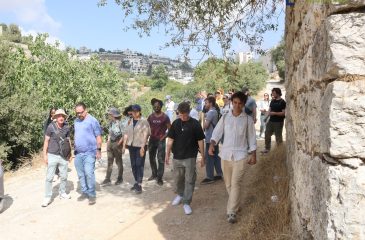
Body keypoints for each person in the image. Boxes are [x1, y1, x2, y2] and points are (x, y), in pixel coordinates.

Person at [209, 91, 257, 224]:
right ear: (231, 102)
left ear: (243, 104)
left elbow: (252, 138)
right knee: (229, 184)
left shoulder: (247, 120)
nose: (236, 105)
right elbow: (217, 133)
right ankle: (235, 205)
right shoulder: (225, 117)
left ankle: (231, 212)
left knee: (236, 183)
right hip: (225, 154)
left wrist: (253, 155)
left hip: (241, 155)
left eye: (239, 103)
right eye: (234, 102)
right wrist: (212, 145)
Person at [165, 102, 205, 215]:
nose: (182, 117)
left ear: (189, 112)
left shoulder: (195, 124)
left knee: (190, 179)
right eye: (180, 115)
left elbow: (200, 141)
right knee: (178, 178)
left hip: (190, 157)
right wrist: (167, 154)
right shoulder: (175, 123)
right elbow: (170, 140)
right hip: (177, 156)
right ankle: (180, 194)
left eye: (185, 115)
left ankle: (186, 202)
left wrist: (203, 156)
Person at [41, 109, 72, 207]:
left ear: (64, 117)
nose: (61, 117)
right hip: (52, 155)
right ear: (56, 117)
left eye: (62, 116)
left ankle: (62, 193)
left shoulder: (67, 127)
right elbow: (46, 141)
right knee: (49, 177)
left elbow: (68, 140)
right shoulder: (50, 127)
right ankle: (47, 197)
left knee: (64, 176)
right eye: (59, 116)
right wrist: (44, 155)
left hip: (63, 156)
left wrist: (70, 153)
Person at [74, 102, 102, 205]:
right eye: (77, 113)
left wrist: (98, 150)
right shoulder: (76, 121)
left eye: (81, 112)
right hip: (78, 153)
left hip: (90, 152)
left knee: (89, 173)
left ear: (86, 110)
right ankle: (84, 192)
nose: (79, 115)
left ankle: (92, 195)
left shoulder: (93, 121)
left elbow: (98, 136)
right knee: (81, 175)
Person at [122, 104, 150, 194]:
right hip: (131, 146)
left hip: (140, 146)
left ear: (139, 112)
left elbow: (146, 134)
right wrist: (123, 146)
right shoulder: (130, 121)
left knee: (139, 164)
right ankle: (136, 182)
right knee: (133, 164)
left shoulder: (144, 121)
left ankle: (139, 184)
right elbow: (126, 133)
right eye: (132, 111)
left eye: (136, 111)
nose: (134, 113)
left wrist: (143, 147)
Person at [147, 98, 171, 185]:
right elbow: (147, 128)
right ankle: (154, 174)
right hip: (152, 140)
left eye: (158, 106)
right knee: (151, 158)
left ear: (161, 106)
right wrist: (146, 139)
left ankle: (159, 177)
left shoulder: (165, 117)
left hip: (161, 141)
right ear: (153, 107)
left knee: (160, 159)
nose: (156, 107)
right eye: (154, 106)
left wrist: (164, 137)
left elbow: (170, 130)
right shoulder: (150, 117)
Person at [201, 96, 223, 184]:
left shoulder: (210, 112)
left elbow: (205, 126)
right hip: (215, 137)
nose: (205, 105)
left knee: (209, 157)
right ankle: (219, 173)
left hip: (210, 138)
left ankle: (209, 176)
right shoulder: (215, 111)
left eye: (206, 103)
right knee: (216, 156)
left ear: (210, 103)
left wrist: (203, 119)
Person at [101, 108, 124, 186]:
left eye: (110, 114)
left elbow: (124, 135)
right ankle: (108, 179)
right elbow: (110, 133)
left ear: (114, 115)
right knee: (109, 161)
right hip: (110, 143)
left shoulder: (120, 123)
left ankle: (120, 178)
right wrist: (108, 142)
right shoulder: (111, 123)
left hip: (117, 143)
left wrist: (119, 144)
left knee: (118, 162)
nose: (109, 116)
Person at [261, 88, 286, 154]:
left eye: (274, 93)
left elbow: (283, 113)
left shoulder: (282, 102)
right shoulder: (272, 101)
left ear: (278, 93)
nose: (272, 94)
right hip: (271, 121)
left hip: (278, 122)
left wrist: (274, 113)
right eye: (272, 93)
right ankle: (267, 148)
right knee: (267, 134)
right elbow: (269, 110)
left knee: (278, 137)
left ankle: (279, 150)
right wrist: (266, 117)